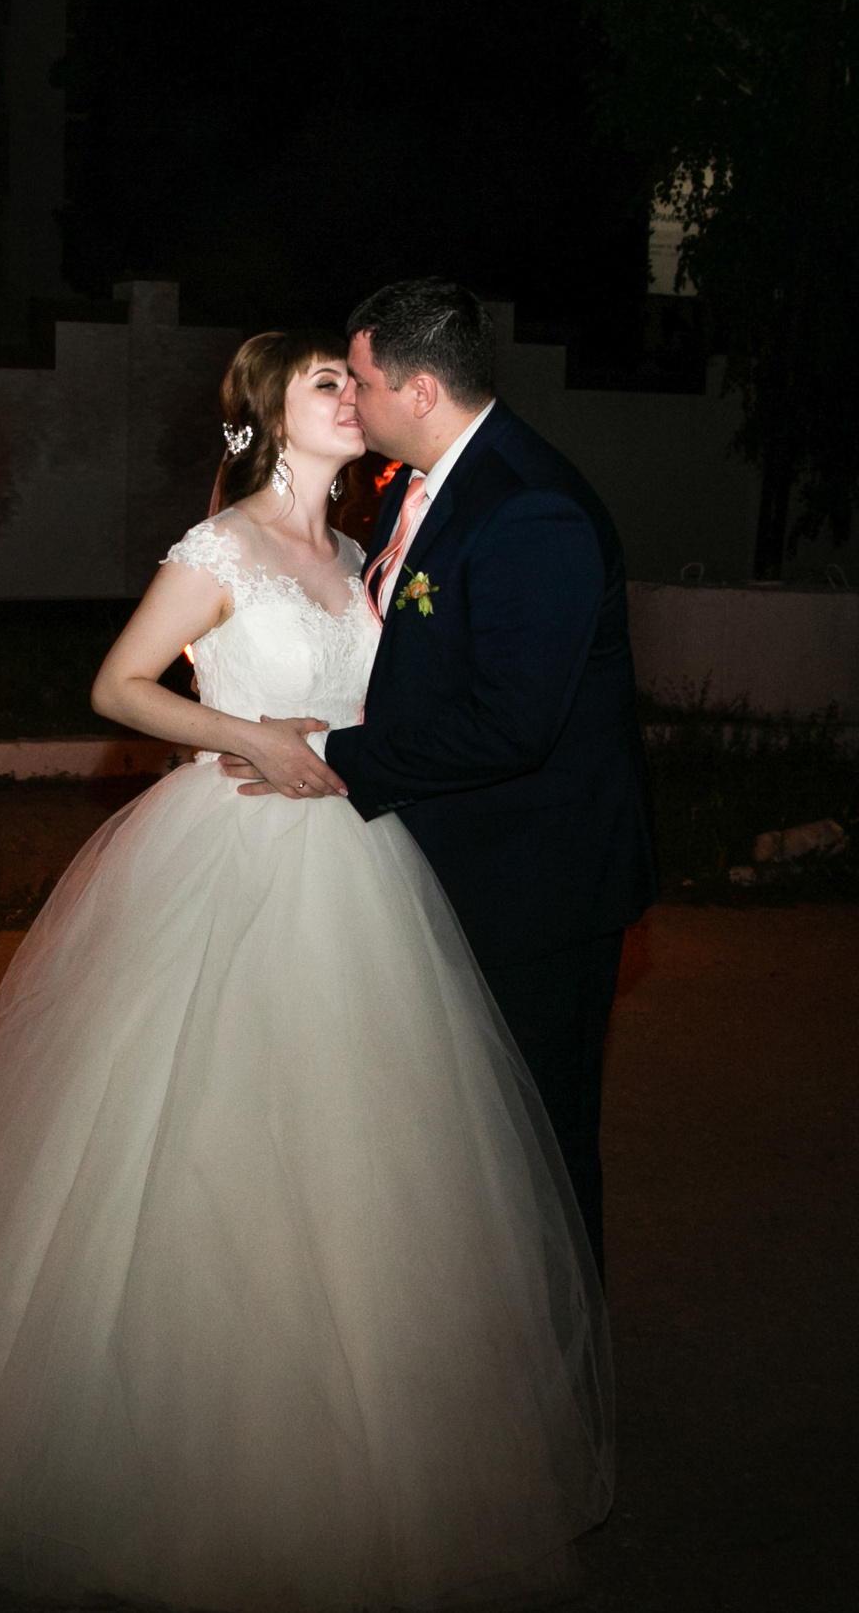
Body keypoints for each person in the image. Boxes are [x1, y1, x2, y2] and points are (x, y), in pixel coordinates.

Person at [0, 331, 613, 1611]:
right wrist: (244, 732)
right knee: (188, 1134)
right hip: (230, 848)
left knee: (359, 1153)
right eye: (329, 383)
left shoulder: (369, 558)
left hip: (358, 867)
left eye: (355, 380)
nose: (353, 398)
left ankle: (352, 1436)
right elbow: (119, 685)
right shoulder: (217, 549)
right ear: (273, 416)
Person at [228, 280, 659, 1274]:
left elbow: (510, 725)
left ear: (420, 392)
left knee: (535, 1141)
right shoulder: (423, 488)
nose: (350, 402)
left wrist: (328, 754)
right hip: (446, 858)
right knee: (451, 1141)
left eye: (364, 382)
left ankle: (554, 1373)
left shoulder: (531, 509)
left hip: (534, 884)